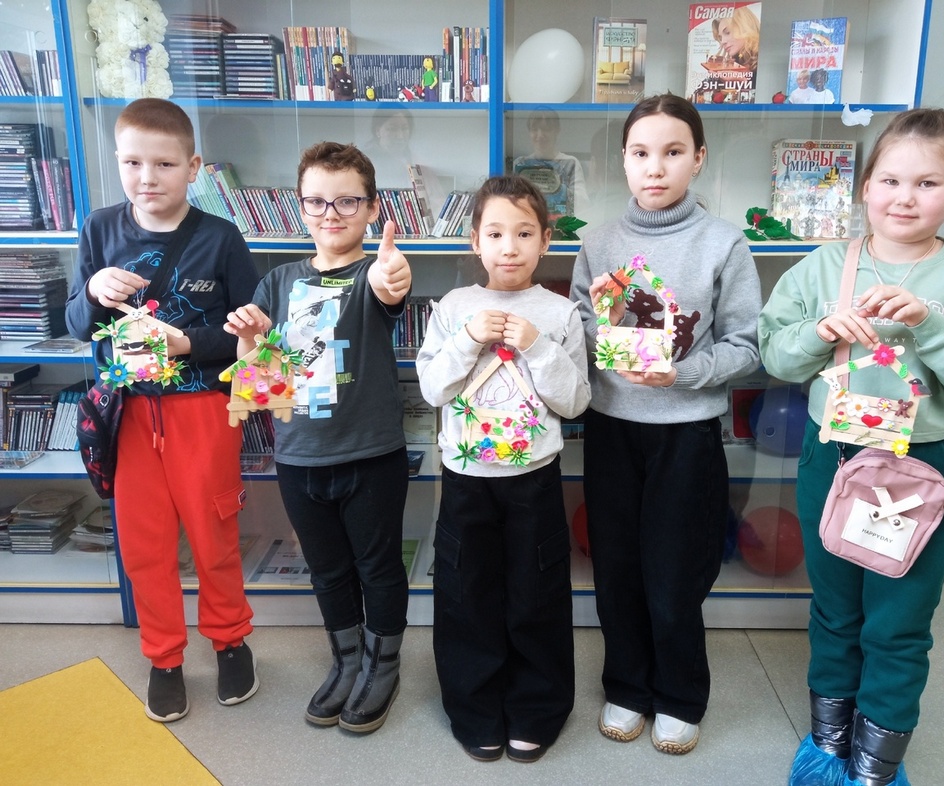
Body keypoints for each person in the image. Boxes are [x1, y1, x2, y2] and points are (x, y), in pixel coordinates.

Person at [758, 108, 944, 786]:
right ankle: (827, 748)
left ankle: (876, 767)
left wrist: (932, 326)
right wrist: (819, 331)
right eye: (890, 180)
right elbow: (776, 355)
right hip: (834, 457)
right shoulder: (823, 266)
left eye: (927, 183)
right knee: (835, 610)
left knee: (898, 622)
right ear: (865, 187)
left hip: (923, 467)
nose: (905, 198)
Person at [569, 93, 762, 755]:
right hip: (612, 428)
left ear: (698, 158)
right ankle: (627, 685)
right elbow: (578, 325)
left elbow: (746, 344)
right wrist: (609, 338)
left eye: (673, 152)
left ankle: (679, 695)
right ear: (623, 160)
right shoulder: (597, 242)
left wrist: (681, 372)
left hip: (687, 432)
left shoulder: (723, 242)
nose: (656, 167)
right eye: (641, 152)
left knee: (676, 571)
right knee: (617, 565)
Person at [65, 98, 260, 723]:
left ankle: (230, 641)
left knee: (213, 533)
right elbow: (76, 324)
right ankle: (164, 657)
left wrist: (188, 344)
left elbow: (252, 333)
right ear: (117, 162)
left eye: (165, 164)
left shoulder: (221, 237)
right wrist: (92, 290)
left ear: (193, 167)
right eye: (132, 163)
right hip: (128, 414)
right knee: (144, 544)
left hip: (200, 411)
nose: (147, 177)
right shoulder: (99, 229)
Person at [224, 142, 412, 733]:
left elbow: (390, 290)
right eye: (318, 201)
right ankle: (346, 660)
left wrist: (391, 279)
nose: (332, 213)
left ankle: (383, 666)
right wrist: (250, 337)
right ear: (299, 205)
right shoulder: (277, 282)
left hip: (371, 455)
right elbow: (258, 388)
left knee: (378, 567)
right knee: (327, 570)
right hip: (299, 458)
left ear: (372, 208)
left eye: (348, 201)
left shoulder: (374, 275)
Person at [416, 175, 590, 763]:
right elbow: (432, 389)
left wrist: (538, 346)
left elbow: (576, 402)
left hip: (534, 479)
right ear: (475, 241)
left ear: (545, 242)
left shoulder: (561, 313)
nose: (509, 247)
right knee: (466, 592)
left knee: (536, 592)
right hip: (466, 480)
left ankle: (537, 709)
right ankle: (475, 709)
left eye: (523, 233)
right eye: (494, 233)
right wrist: (467, 339)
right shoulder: (452, 308)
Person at [512, 108, 590, 218]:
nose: (540, 135)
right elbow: (512, 202)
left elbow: (583, 204)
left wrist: (558, 188)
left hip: (561, 226)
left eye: (546, 129)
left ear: (557, 131)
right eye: (534, 129)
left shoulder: (570, 163)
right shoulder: (520, 164)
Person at [361, 110, 415, 187]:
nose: (400, 136)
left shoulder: (414, 159)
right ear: (378, 131)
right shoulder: (364, 161)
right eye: (392, 129)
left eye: (404, 128)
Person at [712, 5, 761, 72]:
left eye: (727, 32)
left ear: (745, 28)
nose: (723, 41)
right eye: (720, 38)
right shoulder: (732, 65)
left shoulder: (764, 60)